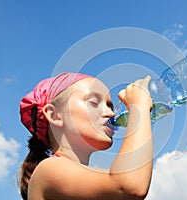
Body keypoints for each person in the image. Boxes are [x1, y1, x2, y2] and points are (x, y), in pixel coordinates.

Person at [18, 72, 153, 200]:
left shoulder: (88, 183)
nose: (111, 114)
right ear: (55, 115)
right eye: (94, 102)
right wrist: (139, 107)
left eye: (110, 107)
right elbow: (129, 186)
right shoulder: (48, 169)